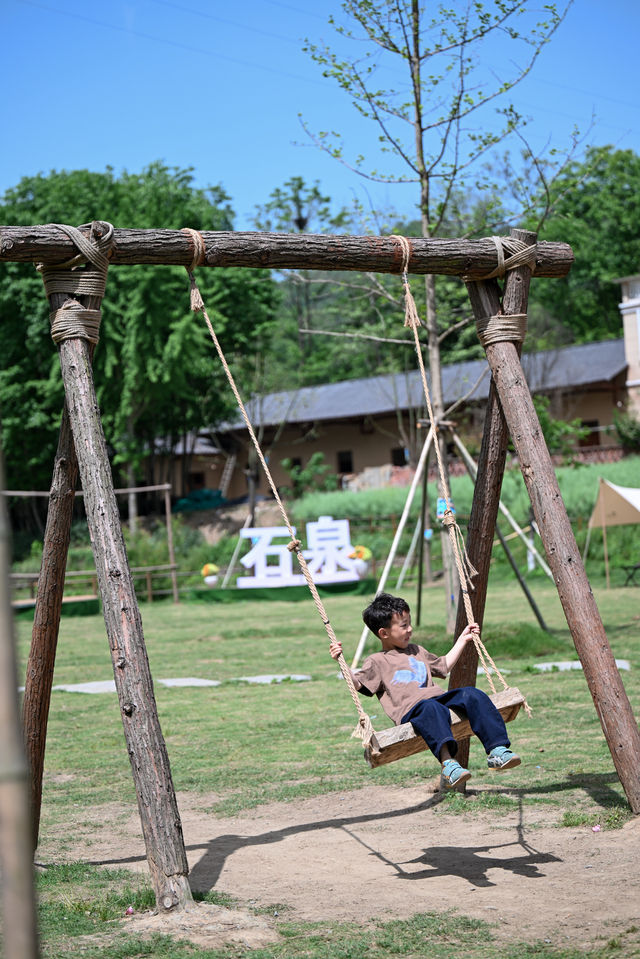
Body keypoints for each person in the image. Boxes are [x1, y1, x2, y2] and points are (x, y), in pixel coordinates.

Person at [329, 592, 520, 789]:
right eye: (403, 626)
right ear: (384, 633)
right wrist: (342, 664)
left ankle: (497, 750)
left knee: (472, 694)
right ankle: (449, 764)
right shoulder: (377, 661)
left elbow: (443, 666)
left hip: (437, 700)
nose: (410, 629)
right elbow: (359, 684)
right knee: (431, 708)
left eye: (409, 623)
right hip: (412, 710)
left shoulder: (417, 650)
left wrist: (463, 639)